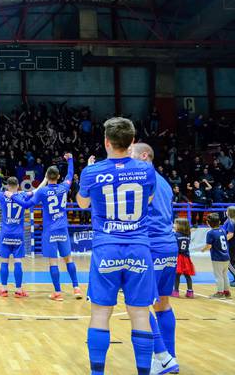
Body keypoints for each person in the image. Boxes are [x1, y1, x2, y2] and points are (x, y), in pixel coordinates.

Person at [76, 117, 157, 375]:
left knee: (100, 313)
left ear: (106, 142)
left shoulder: (91, 172)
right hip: (139, 248)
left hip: (106, 247)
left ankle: (97, 373)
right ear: (132, 142)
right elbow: (150, 198)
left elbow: (82, 204)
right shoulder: (146, 169)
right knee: (141, 316)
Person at [130, 142, 179, 375]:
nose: (127, 158)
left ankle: (163, 356)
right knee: (163, 304)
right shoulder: (165, 182)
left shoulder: (142, 180)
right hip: (169, 246)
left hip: (151, 247)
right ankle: (170, 357)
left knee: (138, 305)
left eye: (131, 154)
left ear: (144, 156)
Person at [12, 153, 83, 301]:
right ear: (58, 177)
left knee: (53, 261)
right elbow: (70, 174)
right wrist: (70, 159)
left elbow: (26, 205)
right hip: (62, 228)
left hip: (50, 230)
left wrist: (12, 196)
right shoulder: (64, 187)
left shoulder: (43, 191)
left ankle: (58, 292)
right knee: (68, 259)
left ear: (47, 176)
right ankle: (76, 288)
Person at [201, 213, 231, 299]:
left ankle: (220, 292)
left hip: (217, 258)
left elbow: (209, 246)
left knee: (218, 276)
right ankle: (227, 292)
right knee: (225, 275)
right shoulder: (223, 231)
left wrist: (203, 249)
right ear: (219, 222)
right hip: (226, 257)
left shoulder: (210, 233)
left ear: (208, 223)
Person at [172, 218, 195, 299]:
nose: (173, 225)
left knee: (177, 275)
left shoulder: (175, 235)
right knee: (187, 275)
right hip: (186, 257)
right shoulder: (188, 235)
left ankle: (176, 292)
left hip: (179, 257)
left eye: (175, 224)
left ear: (179, 226)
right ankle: (190, 291)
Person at [223, 206, 235, 287]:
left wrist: (221, 241)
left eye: (227, 211)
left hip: (232, 245)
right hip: (233, 244)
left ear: (230, 212)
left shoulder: (231, 222)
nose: (226, 212)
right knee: (234, 261)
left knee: (229, 262)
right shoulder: (231, 221)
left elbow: (230, 234)